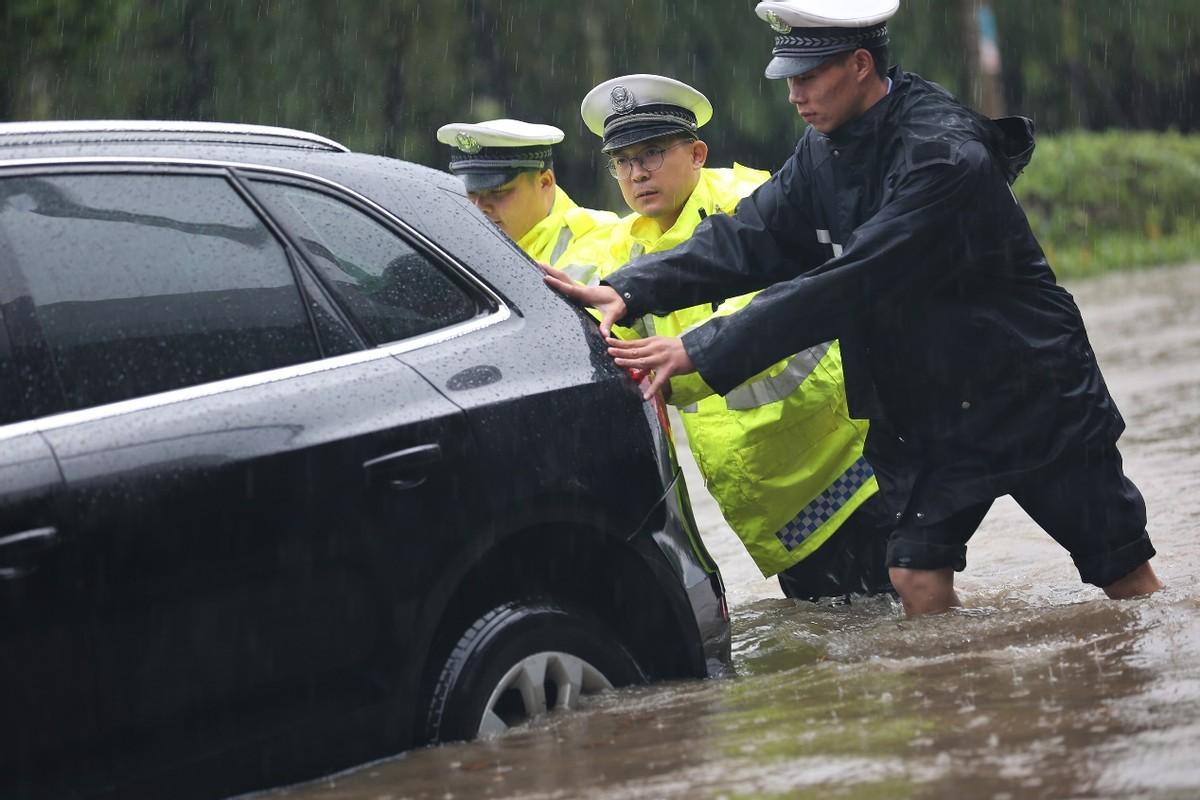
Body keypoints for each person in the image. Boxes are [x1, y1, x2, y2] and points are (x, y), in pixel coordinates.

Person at [544, 0, 1163, 615]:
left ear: (861, 64)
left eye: (808, 78)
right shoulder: (824, 148)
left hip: (1029, 393)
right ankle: (964, 710)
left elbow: (846, 284)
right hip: (928, 407)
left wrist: (694, 349)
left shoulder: (943, 158)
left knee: (1123, 575)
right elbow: (753, 234)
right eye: (788, 79)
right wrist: (632, 287)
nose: (795, 96)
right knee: (915, 574)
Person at [576, 73, 893, 600]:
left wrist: (683, 363)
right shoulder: (622, 251)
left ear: (697, 154)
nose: (637, 174)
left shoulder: (755, 203)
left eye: (652, 153)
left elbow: (767, 317)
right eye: (623, 161)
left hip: (850, 464)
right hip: (766, 500)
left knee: (910, 629)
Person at [436, 118, 615, 266]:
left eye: (497, 192)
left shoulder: (604, 239)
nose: (480, 207)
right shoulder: (455, 246)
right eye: (471, 193)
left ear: (545, 182)